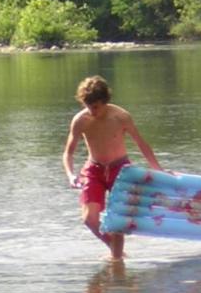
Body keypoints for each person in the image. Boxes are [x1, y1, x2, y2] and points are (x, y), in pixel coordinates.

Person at [63, 75, 163, 260]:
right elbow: (68, 152)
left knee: (118, 219)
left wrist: (156, 168)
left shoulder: (120, 116)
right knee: (89, 219)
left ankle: (117, 264)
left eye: (95, 107)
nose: (91, 111)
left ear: (105, 102)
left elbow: (140, 142)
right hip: (94, 169)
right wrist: (70, 175)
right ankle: (116, 251)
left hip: (121, 169)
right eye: (87, 106)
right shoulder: (80, 120)